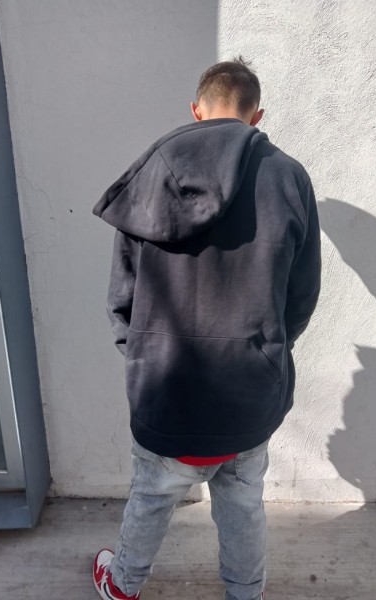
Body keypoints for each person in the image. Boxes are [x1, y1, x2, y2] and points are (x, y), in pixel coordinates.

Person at [91, 56, 321, 600]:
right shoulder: (289, 177)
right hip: (248, 391)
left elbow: (123, 297)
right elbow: (302, 294)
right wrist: (265, 353)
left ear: (196, 110)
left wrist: (143, 356)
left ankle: (122, 585)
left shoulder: (152, 170)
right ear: (256, 115)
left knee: (150, 497)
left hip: (165, 389)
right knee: (243, 506)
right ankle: (246, 592)